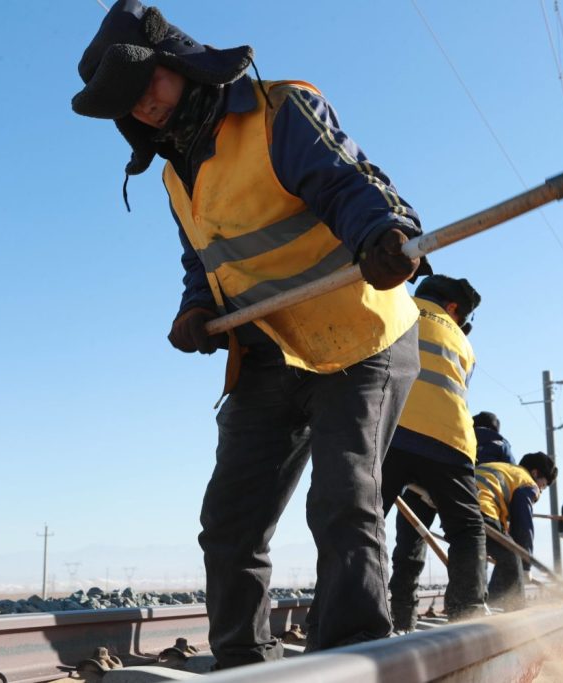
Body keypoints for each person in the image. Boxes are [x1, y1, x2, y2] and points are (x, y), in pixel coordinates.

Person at [72, 1, 431, 667]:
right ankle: (243, 664)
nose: (143, 106)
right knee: (232, 518)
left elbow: (347, 182)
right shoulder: (178, 173)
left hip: (358, 335)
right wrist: (193, 310)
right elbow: (204, 260)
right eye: (128, 102)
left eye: (146, 82)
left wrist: (383, 232)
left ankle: (353, 660)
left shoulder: (276, 112)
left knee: (344, 500)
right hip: (268, 351)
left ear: (177, 61)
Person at [381, 275, 487, 633]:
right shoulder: (464, 343)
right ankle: (467, 617)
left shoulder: (395, 303)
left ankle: (351, 614)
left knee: (361, 521)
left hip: (390, 430)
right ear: (453, 308)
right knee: (467, 529)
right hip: (450, 443)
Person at [475, 452, 558, 610]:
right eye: (543, 485)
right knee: (513, 556)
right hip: (483, 510)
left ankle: (466, 610)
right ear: (535, 473)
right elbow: (523, 524)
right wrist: (525, 565)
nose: (540, 490)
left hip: (459, 508)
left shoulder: (502, 469)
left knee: (470, 555)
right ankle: (515, 612)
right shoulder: (527, 482)